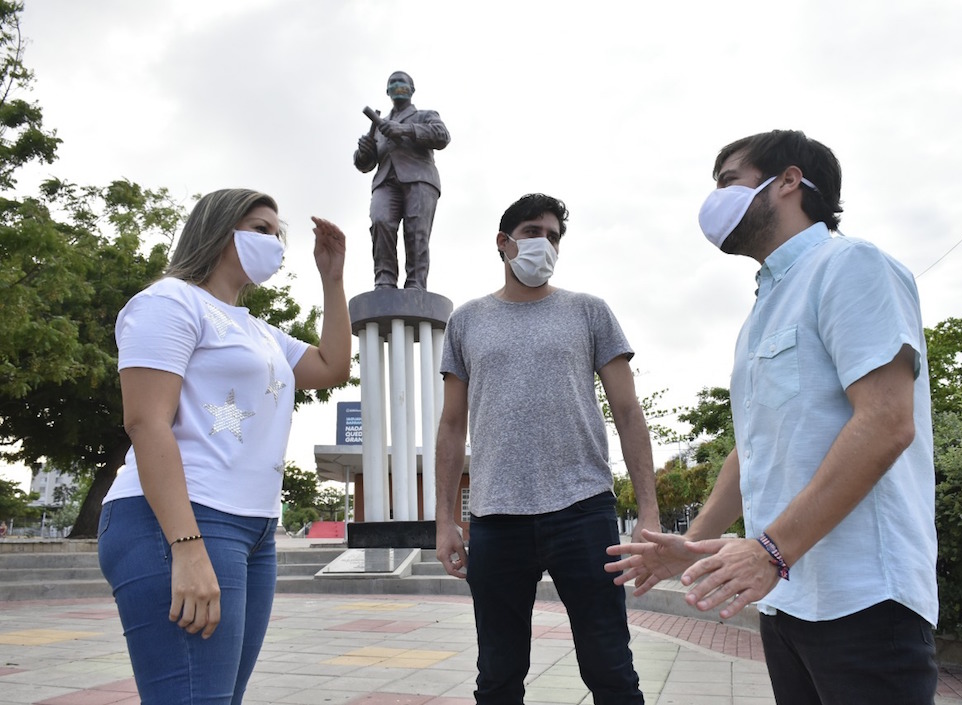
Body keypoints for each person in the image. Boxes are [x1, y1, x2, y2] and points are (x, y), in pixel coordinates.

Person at [606, 130, 939, 705]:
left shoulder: (850, 265)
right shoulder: (765, 306)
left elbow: (887, 421)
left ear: (788, 180)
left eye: (729, 180)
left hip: (863, 599)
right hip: (785, 601)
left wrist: (770, 550)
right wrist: (695, 541)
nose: (716, 199)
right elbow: (755, 445)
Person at [97, 189, 351, 705]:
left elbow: (332, 367)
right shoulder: (168, 302)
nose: (275, 241)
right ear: (218, 230)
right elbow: (146, 422)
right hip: (179, 520)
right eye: (261, 229)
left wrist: (333, 278)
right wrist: (186, 548)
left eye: (278, 233)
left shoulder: (259, 331)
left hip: (253, 529)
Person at [434, 193, 661, 705]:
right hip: (495, 516)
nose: (546, 244)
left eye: (555, 236)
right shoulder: (466, 321)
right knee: (497, 674)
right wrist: (445, 520)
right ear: (504, 243)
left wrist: (648, 509)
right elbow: (451, 425)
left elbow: (628, 412)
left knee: (611, 669)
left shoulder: (589, 312)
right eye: (534, 232)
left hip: (583, 509)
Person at [354, 70, 450, 290]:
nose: (397, 85)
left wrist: (405, 130)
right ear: (387, 90)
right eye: (393, 82)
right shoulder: (379, 125)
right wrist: (364, 152)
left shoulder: (425, 115)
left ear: (412, 90)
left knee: (416, 232)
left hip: (419, 180)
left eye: (402, 82)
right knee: (380, 221)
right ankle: (385, 281)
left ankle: (416, 285)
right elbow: (364, 164)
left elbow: (442, 136)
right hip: (385, 182)